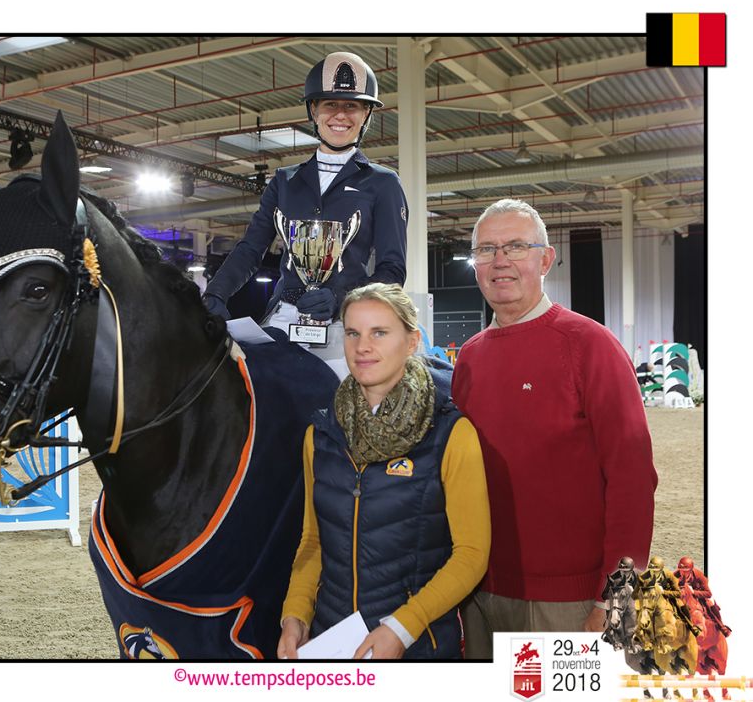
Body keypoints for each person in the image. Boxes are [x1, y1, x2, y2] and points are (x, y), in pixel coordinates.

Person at [452, 198, 657, 659]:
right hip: (479, 593)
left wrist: (616, 598)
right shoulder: (469, 357)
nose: (500, 260)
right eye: (486, 250)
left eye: (516, 246)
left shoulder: (590, 345)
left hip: (570, 603)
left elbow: (633, 479)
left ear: (545, 259)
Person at [277, 283, 490, 659]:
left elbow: (471, 554)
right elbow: (313, 542)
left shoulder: (451, 434)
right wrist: (295, 614)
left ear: (411, 342)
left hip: (418, 647)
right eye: (353, 333)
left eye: (379, 333)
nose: (363, 347)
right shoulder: (321, 436)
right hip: (333, 642)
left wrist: (402, 627)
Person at [202, 52, 408, 360]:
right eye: (330, 104)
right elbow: (250, 249)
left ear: (366, 113)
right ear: (313, 109)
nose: (340, 115)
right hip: (283, 318)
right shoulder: (284, 180)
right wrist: (216, 292)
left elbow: (392, 270)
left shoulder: (383, 183)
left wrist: (341, 299)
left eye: (351, 105)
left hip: (345, 324)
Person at [674, 557, 731, 637]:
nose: (682, 573)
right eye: (681, 570)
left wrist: (694, 592)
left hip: (699, 594)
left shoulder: (699, 575)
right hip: (684, 595)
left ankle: (721, 626)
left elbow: (708, 593)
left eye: (685, 571)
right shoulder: (675, 575)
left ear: (690, 570)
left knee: (710, 602)